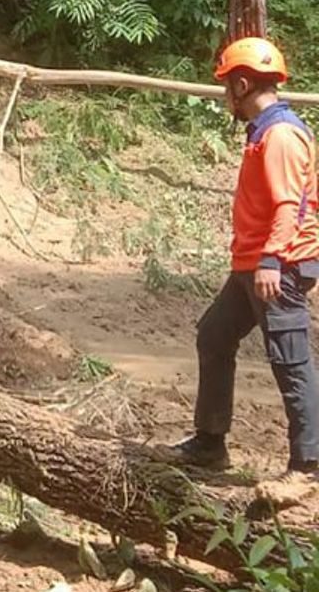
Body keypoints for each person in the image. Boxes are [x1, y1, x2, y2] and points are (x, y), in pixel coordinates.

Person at [164, 37, 319, 483]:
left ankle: (307, 465)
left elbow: (290, 205)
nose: (225, 96)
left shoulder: (280, 136)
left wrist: (272, 260)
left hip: (276, 266)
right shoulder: (265, 134)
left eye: (228, 86)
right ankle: (210, 443)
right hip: (253, 264)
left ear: (244, 83)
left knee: (290, 360)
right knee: (214, 335)